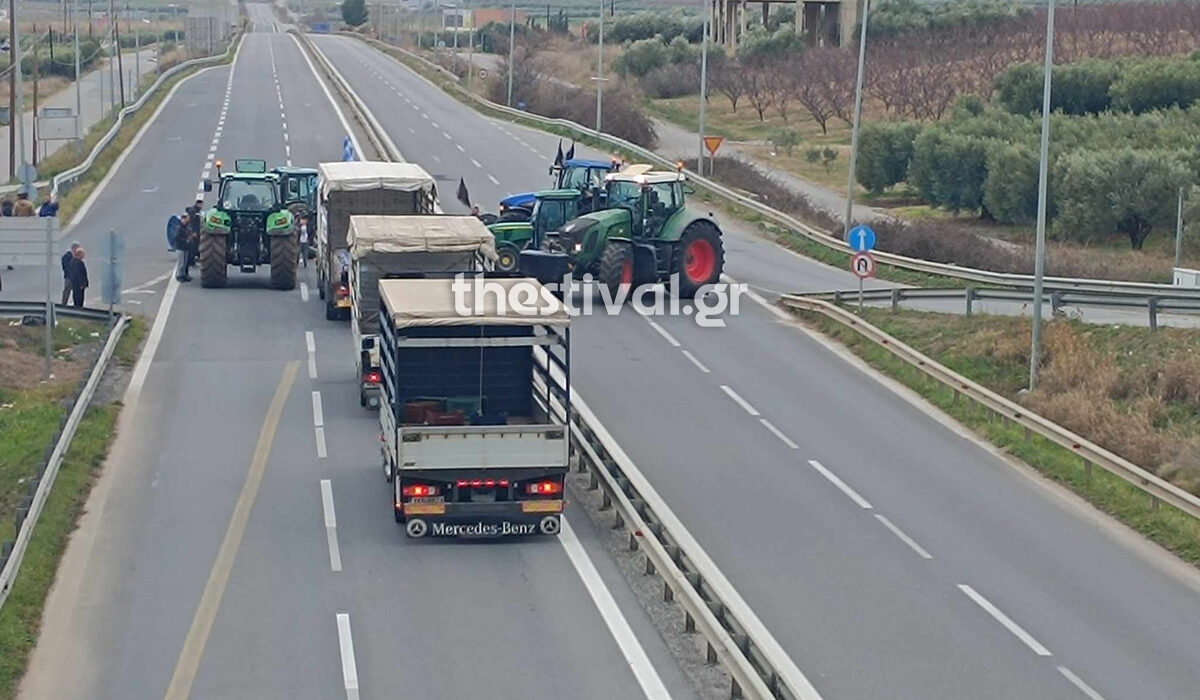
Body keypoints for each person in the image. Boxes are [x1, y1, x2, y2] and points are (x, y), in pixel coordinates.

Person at [174, 214, 193, 282]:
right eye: (184, 219)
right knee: (181, 263)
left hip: (186, 248)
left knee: (185, 263)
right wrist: (185, 240)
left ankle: (184, 275)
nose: (185, 220)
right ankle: (179, 276)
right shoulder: (179, 228)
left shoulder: (187, 228)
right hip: (180, 247)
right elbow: (176, 237)